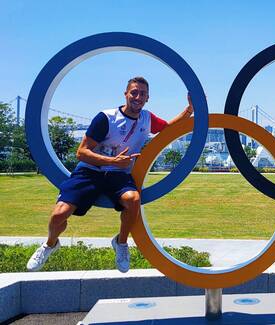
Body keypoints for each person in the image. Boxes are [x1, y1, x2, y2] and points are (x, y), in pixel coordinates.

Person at [27, 76, 194, 273]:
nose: (137, 97)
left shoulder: (147, 119)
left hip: (118, 175)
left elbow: (168, 129)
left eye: (142, 94)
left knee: (133, 200)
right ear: (126, 94)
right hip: (90, 171)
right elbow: (81, 152)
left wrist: (189, 109)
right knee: (59, 215)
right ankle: (50, 244)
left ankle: (121, 243)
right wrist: (112, 161)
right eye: (134, 92)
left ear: (148, 98)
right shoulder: (106, 118)